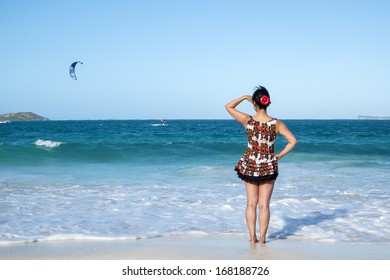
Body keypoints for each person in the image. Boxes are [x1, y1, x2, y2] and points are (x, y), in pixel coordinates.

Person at [225, 85, 297, 244]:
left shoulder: (247, 120)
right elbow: (293, 141)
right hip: (268, 166)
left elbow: (228, 106)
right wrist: (279, 156)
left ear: (255, 103)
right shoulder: (276, 124)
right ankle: (263, 239)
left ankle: (252, 238)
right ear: (268, 102)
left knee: (251, 204)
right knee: (264, 205)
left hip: (250, 165)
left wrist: (245, 97)